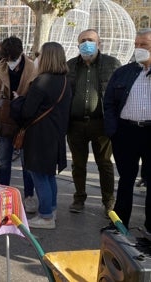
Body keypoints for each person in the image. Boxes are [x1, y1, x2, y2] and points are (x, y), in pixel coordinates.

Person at [12, 42, 72, 229]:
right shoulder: (65, 80)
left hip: (39, 136)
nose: (36, 59)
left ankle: (46, 216)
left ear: (46, 58)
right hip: (55, 135)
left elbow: (28, 111)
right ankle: (51, 209)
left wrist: (17, 100)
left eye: (39, 55)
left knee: (39, 175)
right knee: (48, 175)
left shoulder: (42, 81)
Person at [67, 29, 121, 215]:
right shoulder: (71, 66)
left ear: (99, 43)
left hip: (101, 123)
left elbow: (118, 95)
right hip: (75, 124)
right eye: (83, 40)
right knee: (78, 164)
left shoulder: (111, 64)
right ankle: (79, 198)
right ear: (77, 44)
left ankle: (108, 202)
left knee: (104, 164)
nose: (86, 43)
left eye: (90, 40)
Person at [103, 28, 151, 232]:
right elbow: (109, 102)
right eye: (137, 45)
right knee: (126, 179)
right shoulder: (124, 72)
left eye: (144, 45)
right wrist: (113, 129)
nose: (139, 49)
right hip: (126, 132)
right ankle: (119, 224)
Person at [0, 36, 36, 199]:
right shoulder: (3, 65)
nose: (10, 61)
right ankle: (3, 193)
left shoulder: (31, 68)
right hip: (6, 118)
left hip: (24, 119)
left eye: (13, 58)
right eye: (7, 58)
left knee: (27, 163)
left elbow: (35, 94)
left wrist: (21, 99)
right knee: (4, 160)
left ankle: (29, 196)